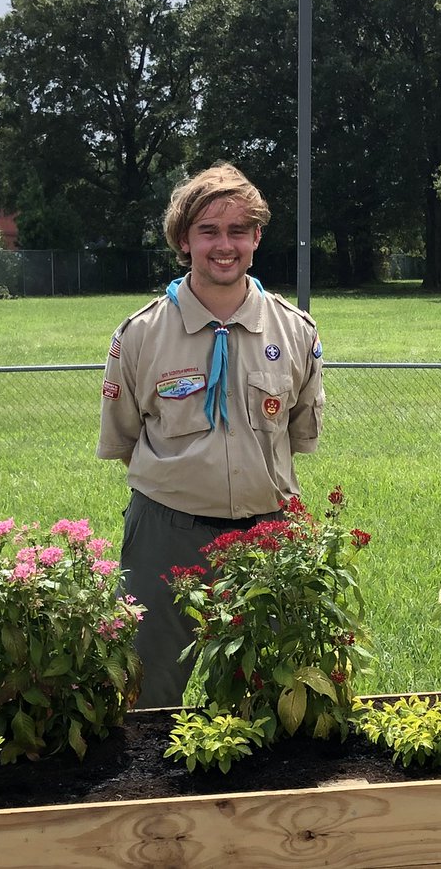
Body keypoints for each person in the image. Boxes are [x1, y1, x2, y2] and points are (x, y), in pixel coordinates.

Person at [96, 162, 325, 708]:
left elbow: (294, 434)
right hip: (166, 535)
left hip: (265, 536)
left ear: (257, 238)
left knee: (269, 697)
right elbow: (126, 436)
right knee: (147, 697)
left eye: (238, 230)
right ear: (183, 239)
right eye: (209, 230)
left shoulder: (296, 331)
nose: (225, 245)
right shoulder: (141, 335)